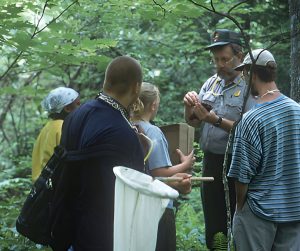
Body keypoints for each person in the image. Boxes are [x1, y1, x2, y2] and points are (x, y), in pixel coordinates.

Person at [51, 56, 191, 251]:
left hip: (72, 226)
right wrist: (169, 184)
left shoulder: (75, 116)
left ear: (106, 81)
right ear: (136, 87)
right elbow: (134, 194)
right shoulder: (123, 132)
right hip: (106, 234)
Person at [183, 29, 255, 249]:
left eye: (225, 59)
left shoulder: (249, 86)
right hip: (211, 163)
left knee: (237, 218)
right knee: (213, 220)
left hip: (238, 162)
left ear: (239, 56)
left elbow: (250, 130)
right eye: (216, 60)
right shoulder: (211, 83)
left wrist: (215, 120)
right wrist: (189, 108)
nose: (219, 64)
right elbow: (194, 122)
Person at [228, 49, 300, 250]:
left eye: (245, 73)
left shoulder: (252, 119)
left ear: (254, 74)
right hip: (294, 211)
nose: (243, 78)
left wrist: (240, 209)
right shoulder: (297, 111)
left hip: (259, 213)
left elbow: (242, 176)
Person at [131, 82, 195, 251]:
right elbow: (159, 173)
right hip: (158, 207)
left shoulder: (127, 127)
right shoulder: (153, 132)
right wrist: (185, 164)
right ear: (153, 106)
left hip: (134, 205)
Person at [31, 87, 80, 182]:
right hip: (56, 185)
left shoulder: (46, 128)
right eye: (78, 104)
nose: (81, 106)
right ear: (67, 108)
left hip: (41, 186)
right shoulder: (63, 127)